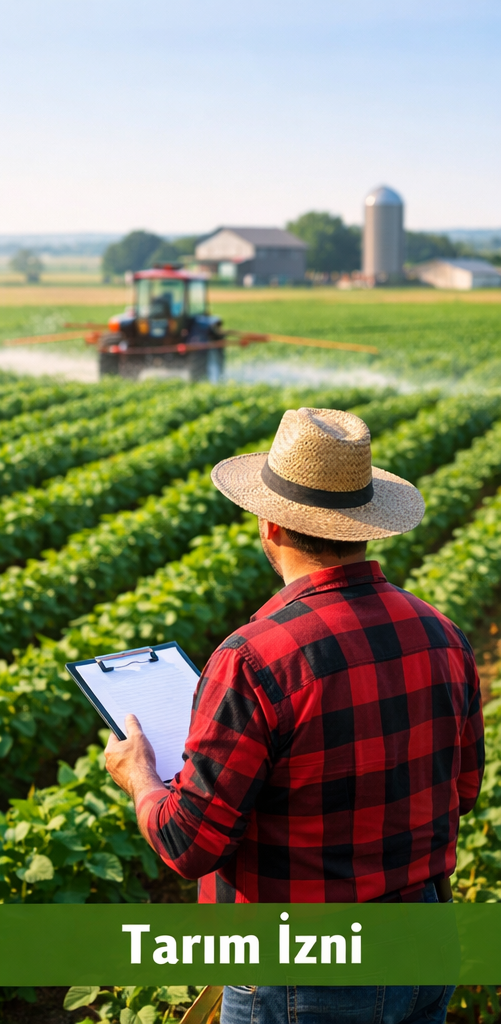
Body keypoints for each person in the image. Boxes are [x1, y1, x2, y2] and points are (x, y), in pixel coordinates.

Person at [105, 406, 484, 1024]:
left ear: (271, 524)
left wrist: (139, 775)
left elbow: (189, 844)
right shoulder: (441, 634)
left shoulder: (255, 659)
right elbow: (462, 792)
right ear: (366, 525)